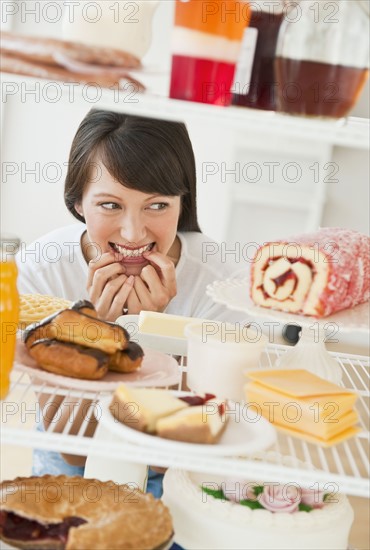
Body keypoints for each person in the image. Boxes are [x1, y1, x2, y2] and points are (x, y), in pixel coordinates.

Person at [16, 109, 246, 496]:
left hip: (172, 476)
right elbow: (72, 451)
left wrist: (147, 332)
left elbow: (166, 456)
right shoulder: (42, 269)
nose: (133, 232)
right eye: (110, 205)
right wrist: (97, 333)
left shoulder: (222, 284)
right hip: (69, 466)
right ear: (78, 203)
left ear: (181, 202)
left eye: (157, 205)